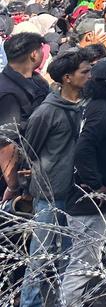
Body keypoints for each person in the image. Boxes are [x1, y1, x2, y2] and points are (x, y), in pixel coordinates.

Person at [59, 57, 106, 304]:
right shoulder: (103, 110)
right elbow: (83, 149)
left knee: (90, 263)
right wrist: (95, 184)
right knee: (83, 265)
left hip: (95, 200)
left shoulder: (96, 106)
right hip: (92, 204)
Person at [20, 50, 88, 307]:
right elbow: (30, 150)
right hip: (50, 192)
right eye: (84, 72)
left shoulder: (87, 106)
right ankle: (30, 302)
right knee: (40, 253)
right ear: (67, 78)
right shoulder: (45, 113)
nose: (89, 76)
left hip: (76, 191)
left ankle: (65, 300)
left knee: (70, 253)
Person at [0, 32, 49, 200]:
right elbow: (6, 143)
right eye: (41, 50)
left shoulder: (35, 80)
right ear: (34, 54)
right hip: (16, 178)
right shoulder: (8, 93)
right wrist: (13, 185)